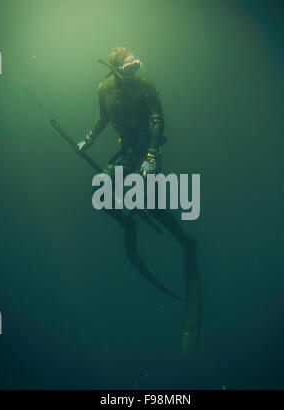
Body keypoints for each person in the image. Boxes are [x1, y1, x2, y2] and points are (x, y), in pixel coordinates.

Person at [78, 47, 201, 354]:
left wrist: (151, 155)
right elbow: (102, 117)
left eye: (136, 65)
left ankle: (184, 240)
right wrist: (89, 139)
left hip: (147, 149)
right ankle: (129, 223)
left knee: (147, 194)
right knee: (101, 190)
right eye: (128, 66)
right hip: (127, 151)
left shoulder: (146, 87)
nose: (135, 70)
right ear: (116, 69)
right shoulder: (104, 88)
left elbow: (158, 120)